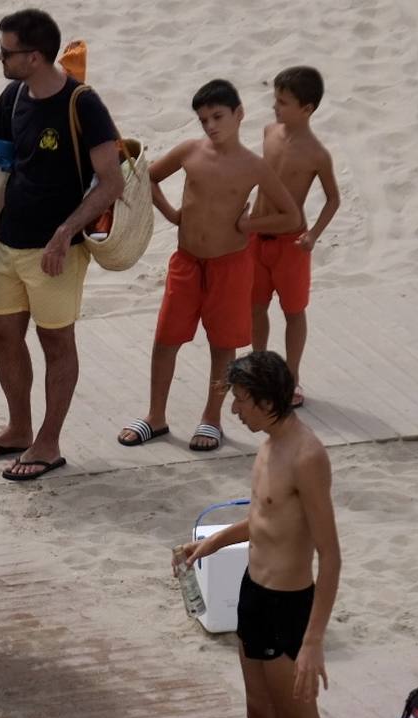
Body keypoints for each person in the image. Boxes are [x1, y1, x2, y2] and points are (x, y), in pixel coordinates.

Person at [183, 351, 368, 718]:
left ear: (265, 400)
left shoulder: (307, 456)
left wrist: (313, 641)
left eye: (239, 399)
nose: (232, 409)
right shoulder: (269, 446)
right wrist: (215, 539)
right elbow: (266, 517)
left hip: (290, 612)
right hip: (253, 599)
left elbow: (330, 555)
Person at [0, 8, 123, 481]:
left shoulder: (83, 104)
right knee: (2, 334)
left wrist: (65, 232)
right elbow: (1, 156)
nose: (0, 58)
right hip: (8, 242)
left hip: (57, 251)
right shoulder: (14, 95)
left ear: (34, 56)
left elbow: (110, 182)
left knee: (56, 341)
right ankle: (18, 428)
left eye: (7, 52)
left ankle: (48, 442)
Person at [118, 79, 301, 452]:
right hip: (186, 263)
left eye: (218, 116)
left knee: (223, 346)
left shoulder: (254, 167)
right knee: (165, 340)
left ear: (239, 114)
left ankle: (212, 417)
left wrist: (249, 225)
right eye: (204, 120)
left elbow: (290, 215)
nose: (211, 125)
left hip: (230, 267)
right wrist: (170, 213)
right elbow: (146, 176)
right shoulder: (190, 151)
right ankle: (156, 416)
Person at [249, 66, 341, 408]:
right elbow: (259, 176)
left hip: (291, 243)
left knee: (293, 312)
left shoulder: (317, 153)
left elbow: (333, 198)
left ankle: (292, 377)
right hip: (257, 237)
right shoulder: (268, 132)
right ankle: (258, 369)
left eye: (283, 102)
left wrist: (314, 234)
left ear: (307, 108)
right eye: (275, 99)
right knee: (255, 307)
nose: (275, 107)